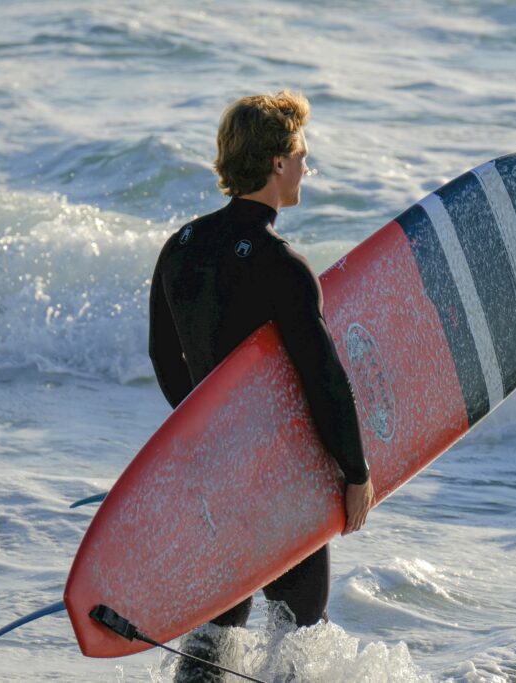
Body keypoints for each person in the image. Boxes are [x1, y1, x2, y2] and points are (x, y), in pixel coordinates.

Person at [148, 90, 375, 681]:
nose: (306, 166)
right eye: (301, 153)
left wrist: (207, 421)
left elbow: (164, 358)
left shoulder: (180, 247)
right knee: (295, 640)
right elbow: (324, 379)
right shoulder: (282, 265)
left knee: (215, 628)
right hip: (280, 481)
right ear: (277, 162)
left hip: (212, 471)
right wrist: (356, 473)